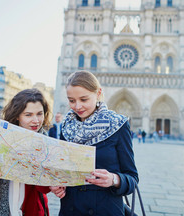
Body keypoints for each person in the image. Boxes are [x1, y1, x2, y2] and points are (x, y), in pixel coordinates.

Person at [0, 89, 66, 216]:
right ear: (17, 115)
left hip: (32, 211)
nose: (36, 120)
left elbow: (43, 189)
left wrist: (52, 184)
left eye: (39, 114)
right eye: (28, 115)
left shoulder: (46, 142)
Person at [55, 70, 138, 215]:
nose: (77, 106)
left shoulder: (118, 125)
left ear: (98, 93)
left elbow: (132, 178)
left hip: (105, 209)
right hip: (71, 209)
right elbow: (62, 170)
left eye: (84, 99)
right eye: (72, 100)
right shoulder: (66, 127)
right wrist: (58, 184)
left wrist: (114, 179)